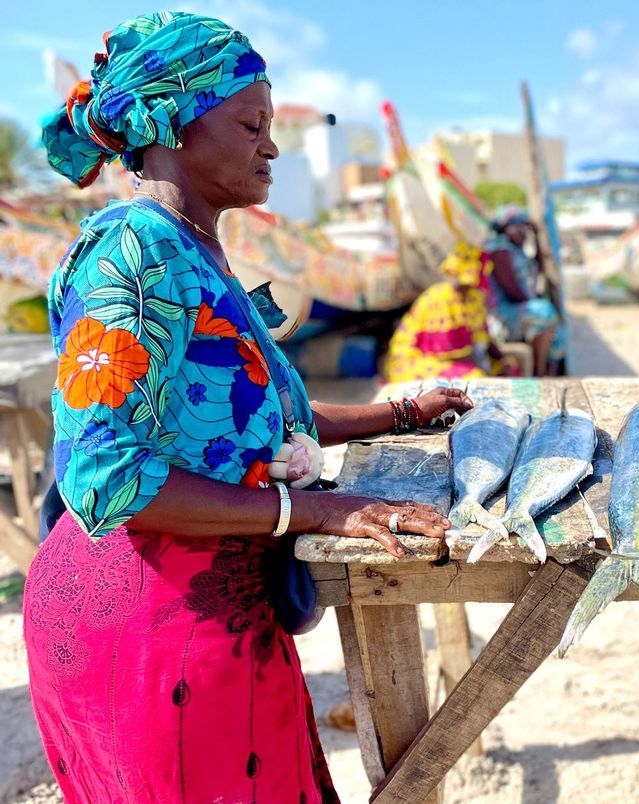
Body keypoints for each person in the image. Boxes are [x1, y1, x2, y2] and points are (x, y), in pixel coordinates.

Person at [25, 13, 472, 803]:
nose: (272, 146)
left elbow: (262, 421)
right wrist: (311, 511)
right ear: (173, 125)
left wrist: (402, 414)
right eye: (251, 124)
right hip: (147, 628)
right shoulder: (134, 254)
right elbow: (102, 478)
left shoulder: (193, 246)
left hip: (209, 612)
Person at [384, 241, 519, 382]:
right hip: (419, 359)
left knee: (510, 368)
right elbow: (446, 352)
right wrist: (482, 368)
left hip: (464, 359)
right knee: (474, 377)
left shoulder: (475, 297)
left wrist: (504, 360)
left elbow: (483, 338)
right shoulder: (439, 298)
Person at [482, 207, 565, 376]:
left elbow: (540, 269)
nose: (522, 231)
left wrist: (536, 237)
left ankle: (546, 373)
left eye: (524, 227)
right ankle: (539, 372)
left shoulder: (517, 250)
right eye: (515, 226)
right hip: (502, 315)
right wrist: (534, 301)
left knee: (557, 329)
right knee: (544, 313)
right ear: (504, 228)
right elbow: (513, 292)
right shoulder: (500, 250)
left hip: (517, 310)